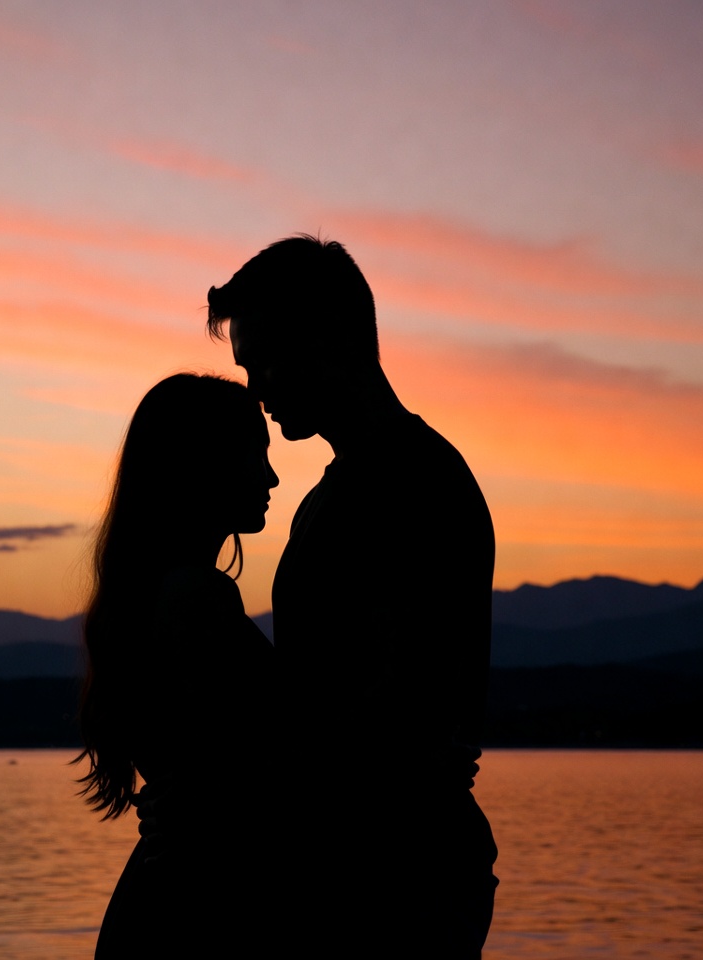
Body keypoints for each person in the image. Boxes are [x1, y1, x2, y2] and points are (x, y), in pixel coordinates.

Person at [207, 235, 498, 956]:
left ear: (327, 338)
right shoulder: (330, 497)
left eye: (264, 362)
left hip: (400, 881)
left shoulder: (419, 484)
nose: (256, 392)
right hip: (348, 866)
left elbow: (409, 708)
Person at [74, 373, 279, 956]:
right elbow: (245, 768)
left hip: (169, 896)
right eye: (254, 455)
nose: (271, 476)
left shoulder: (153, 592)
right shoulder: (196, 596)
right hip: (195, 910)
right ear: (203, 464)